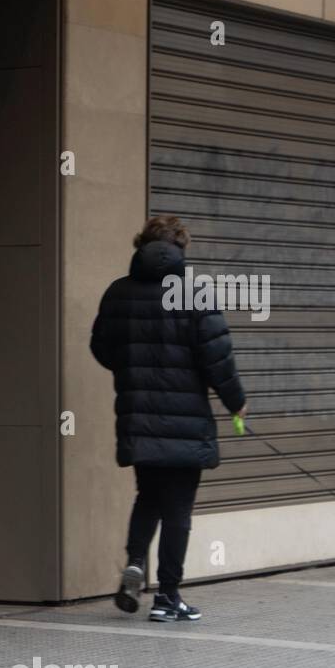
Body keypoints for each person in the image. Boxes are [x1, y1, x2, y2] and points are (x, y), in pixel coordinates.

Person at [90, 215, 247, 622]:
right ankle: (167, 597)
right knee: (178, 511)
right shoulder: (194, 294)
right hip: (186, 423)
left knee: (148, 497)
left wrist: (134, 369)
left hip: (138, 421)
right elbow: (218, 361)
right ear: (181, 248)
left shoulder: (118, 293)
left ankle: (136, 563)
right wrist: (236, 403)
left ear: (141, 245)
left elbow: (103, 349)